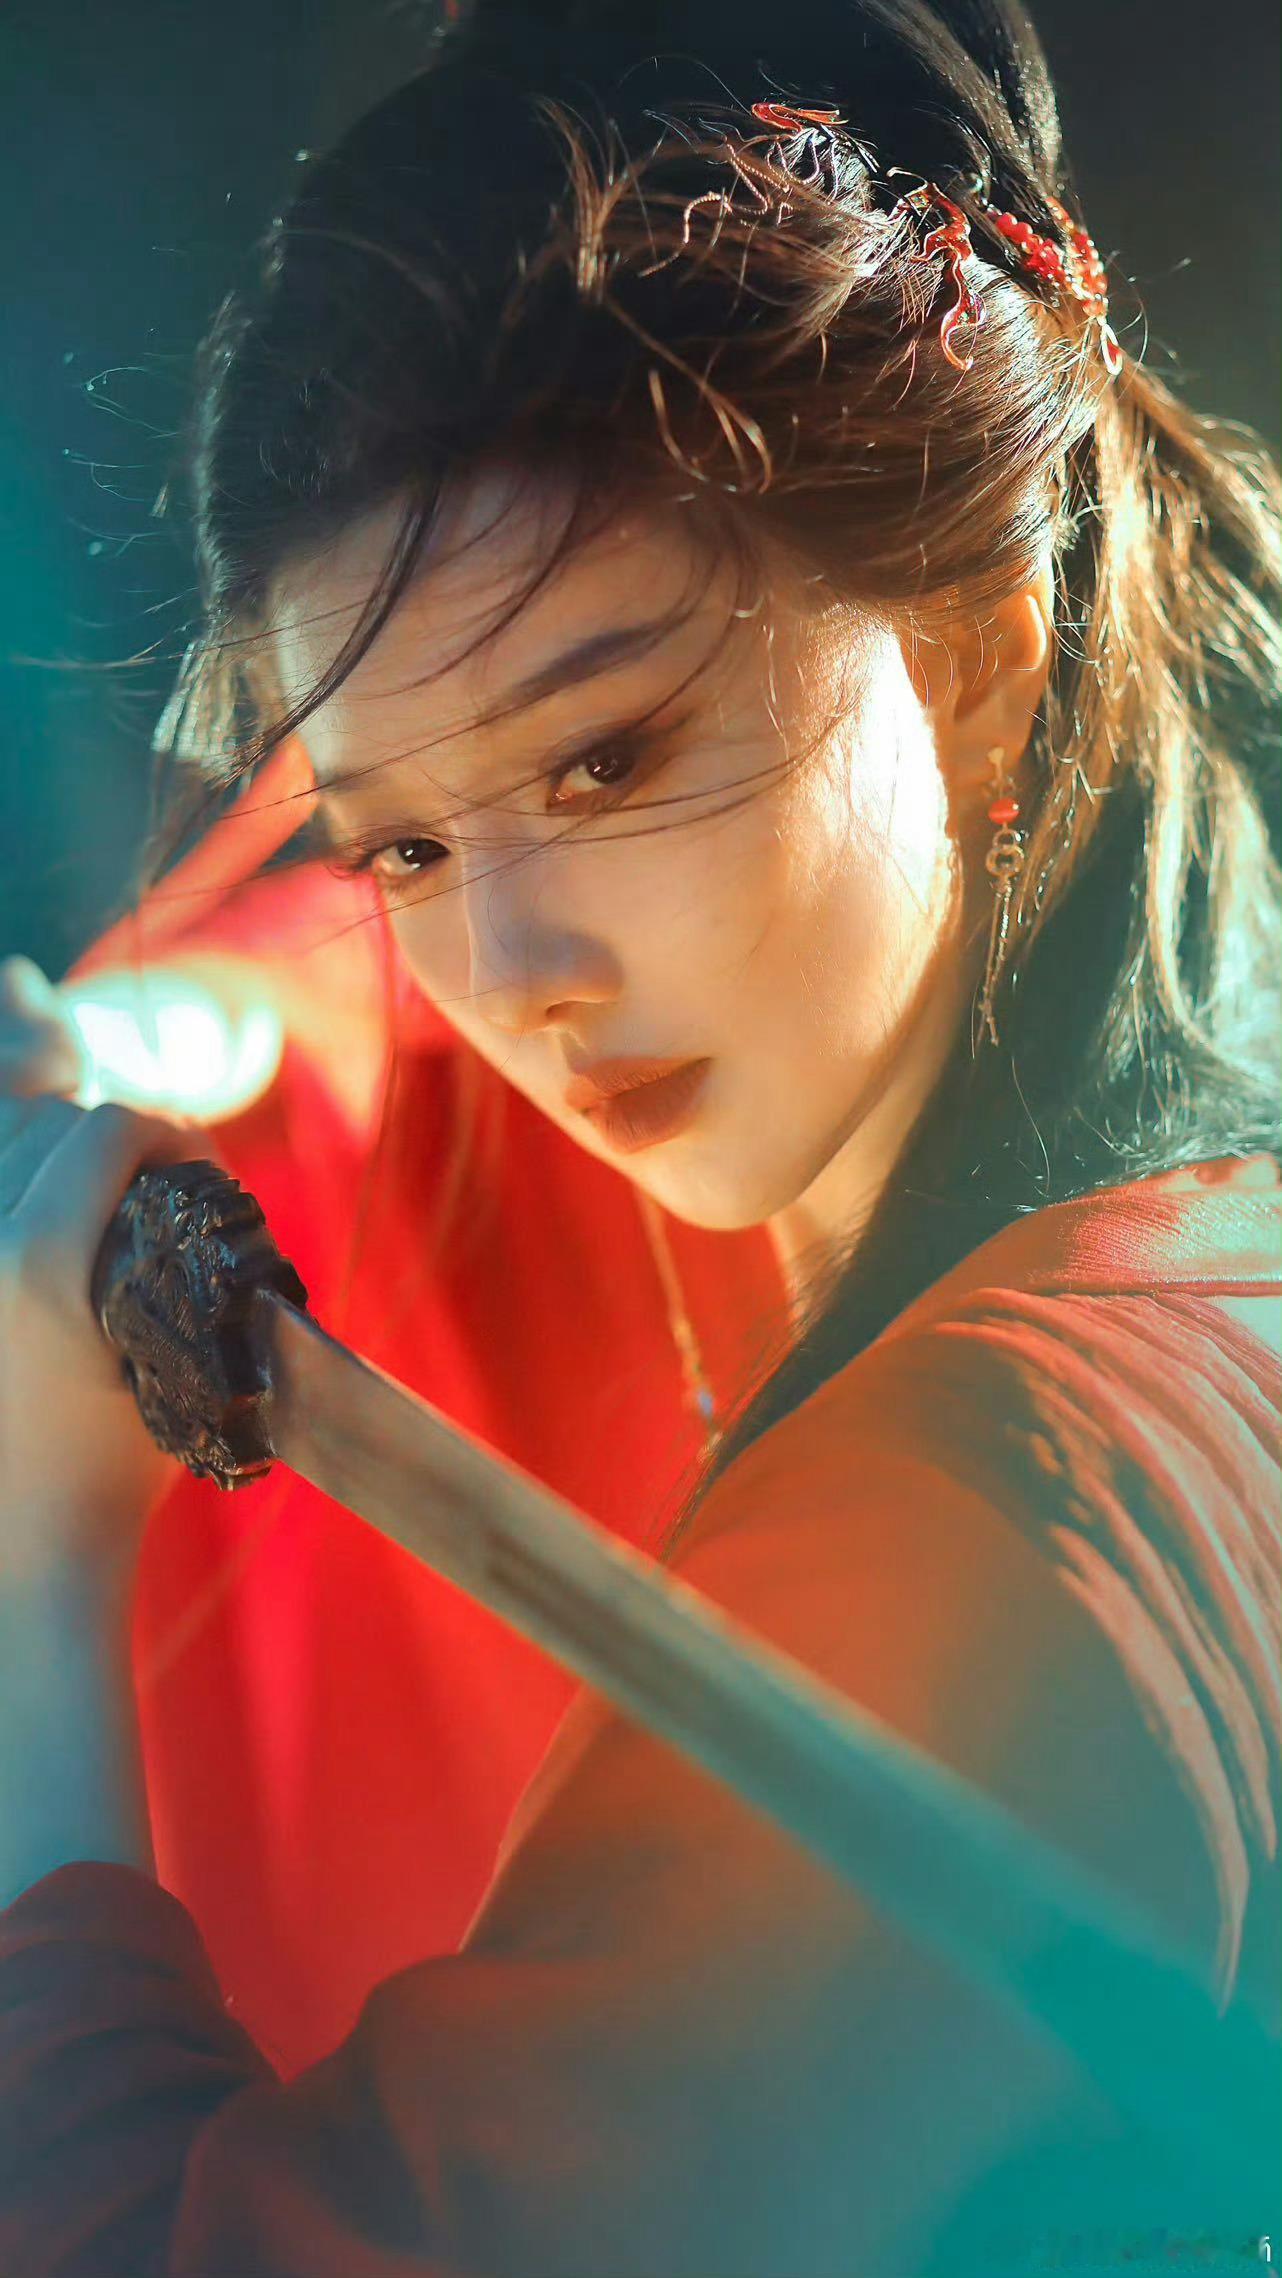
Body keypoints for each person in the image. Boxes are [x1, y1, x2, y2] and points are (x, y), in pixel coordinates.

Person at [1, 0, 1279, 2267]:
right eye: (404, 847)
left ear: (971, 653)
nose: (511, 970)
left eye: (605, 760)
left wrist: (31, 1560)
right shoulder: (1155, 1251)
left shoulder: (992, 1506)